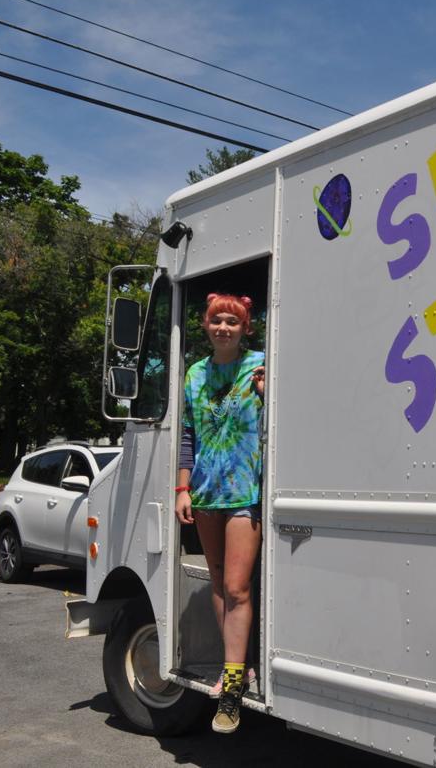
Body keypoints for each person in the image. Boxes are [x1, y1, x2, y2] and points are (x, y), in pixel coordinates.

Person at [174, 293, 265, 734]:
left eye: (232, 321)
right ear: (206, 326)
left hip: (245, 491)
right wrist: (182, 488)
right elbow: (187, 435)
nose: (224, 327)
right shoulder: (194, 374)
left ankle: (230, 687)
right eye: (217, 321)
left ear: (246, 327)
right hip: (207, 493)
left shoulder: (261, 366)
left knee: (236, 587)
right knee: (217, 580)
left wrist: (269, 395)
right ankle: (238, 667)